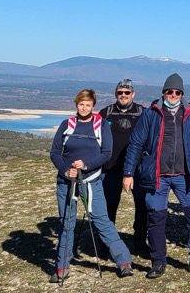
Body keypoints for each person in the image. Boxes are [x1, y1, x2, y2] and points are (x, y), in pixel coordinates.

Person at [123, 73, 190, 278]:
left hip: (185, 176)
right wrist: (128, 173)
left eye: (177, 92)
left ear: (182, 94)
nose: (173, 95)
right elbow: (136, 144)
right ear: (163, 92)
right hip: (158, 176)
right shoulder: (151, 114)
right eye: (169, 91)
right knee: (156, 218)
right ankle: (158, 262)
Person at [50, 89, 134, 282]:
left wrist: (86, 165)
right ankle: (61, 267)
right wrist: (66, 170)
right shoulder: (67, 125)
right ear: (76, 105)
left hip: (91, 180)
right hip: (67, 182)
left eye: (88, 104)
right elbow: (55, 152)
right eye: (81, 104)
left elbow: (106, 153)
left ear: (93, 106)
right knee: (66, 223)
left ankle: (123, 262)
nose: (84, 108)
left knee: (101, 220)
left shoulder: (101, 125)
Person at [99, 79, 147, 251]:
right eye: (120, 93)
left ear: (133, 94)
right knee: (109, 206)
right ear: (116, 94)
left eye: (127, 93)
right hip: (111, 168)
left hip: (137, 169)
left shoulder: (143, 113)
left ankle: (140, 242)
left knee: (142, 206)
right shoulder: (106, 113)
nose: (123, 96)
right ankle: (106, 243)